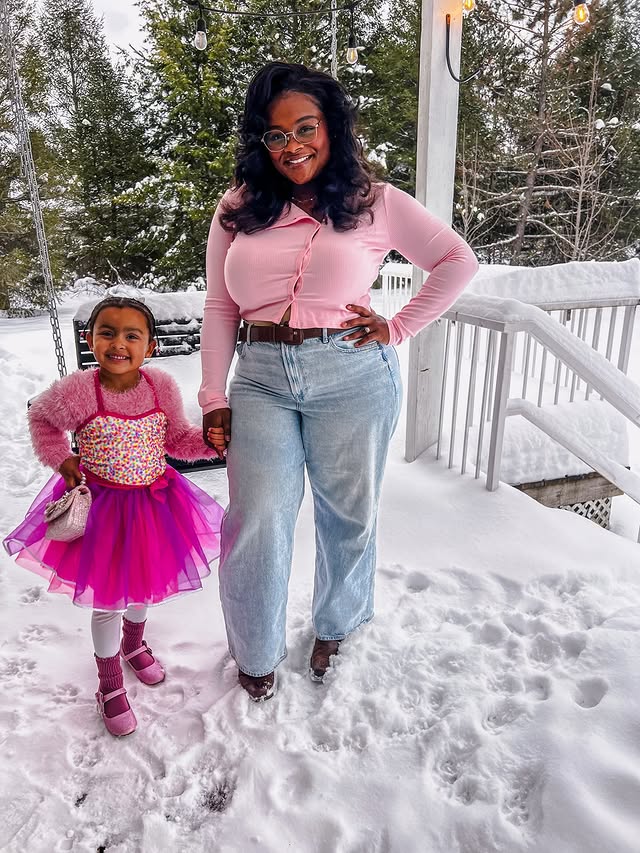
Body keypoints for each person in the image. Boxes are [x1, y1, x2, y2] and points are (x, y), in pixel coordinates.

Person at [199, 62, 479, 702]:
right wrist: (213, 396)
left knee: (348, 515)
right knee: (256, 516)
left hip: (351, 372)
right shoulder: (238, 207)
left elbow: (456, 260)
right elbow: (220, 305)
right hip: (260, 377)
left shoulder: (376, 202)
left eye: (306, 127)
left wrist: (398, 327)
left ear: (331, 126)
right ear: (261, 141)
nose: (292, 145)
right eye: (276, 135)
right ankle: (255, 649)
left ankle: (339, 626)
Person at [4, 296, 224, 736]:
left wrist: (209, 443)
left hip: (154, 507)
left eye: (131, 335)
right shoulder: (79, 391)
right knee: (107, 600)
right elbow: (42, 419)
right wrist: (61, 459)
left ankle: (133, 644)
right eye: (107, 333)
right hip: (104, 511)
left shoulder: (160, 386)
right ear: (91, 340)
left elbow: (176, 439)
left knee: (144, 584)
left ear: (150, 346)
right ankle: (109, 684)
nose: (118, 343)